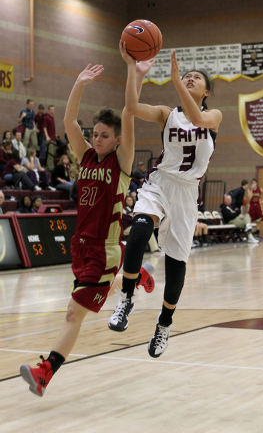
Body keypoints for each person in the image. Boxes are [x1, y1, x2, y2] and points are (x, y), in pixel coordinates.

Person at [20, 59, 155, 397]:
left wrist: (134, 74)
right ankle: (135, 276)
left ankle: (45, 372)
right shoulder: (86, 157)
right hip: (81, 247)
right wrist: (79, 83)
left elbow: (128, 113)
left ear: (117, 140)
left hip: (104, 249)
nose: (96, 139)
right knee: (89, 302)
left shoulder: (121, 162)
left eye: (104, 135)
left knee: (72, 314)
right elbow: (68, 121)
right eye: (94, 134)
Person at [108, 44, 222, 358]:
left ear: (207, 91)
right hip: (160, 183)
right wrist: (134, 70)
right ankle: (127, 299)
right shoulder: (165, 114)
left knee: (175, 268)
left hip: (186, 195)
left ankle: (164, 324)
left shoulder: (213, 116)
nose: (188, 79)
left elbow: (197, 117)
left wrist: (174, 81)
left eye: (196, 78)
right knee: (140, 229)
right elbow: (130, 107)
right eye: (186, 76)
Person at [43, 105, 57, 171]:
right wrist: (47, 136)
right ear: (48, 110)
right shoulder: (46, 117)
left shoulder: (52, 118)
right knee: (50, 154)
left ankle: (50, 167)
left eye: (53, 110)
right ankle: (50, 168)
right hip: (50, 139)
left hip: (53, 138)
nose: (52, 111)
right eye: (51, 110)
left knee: (53, 154)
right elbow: (44, 127)